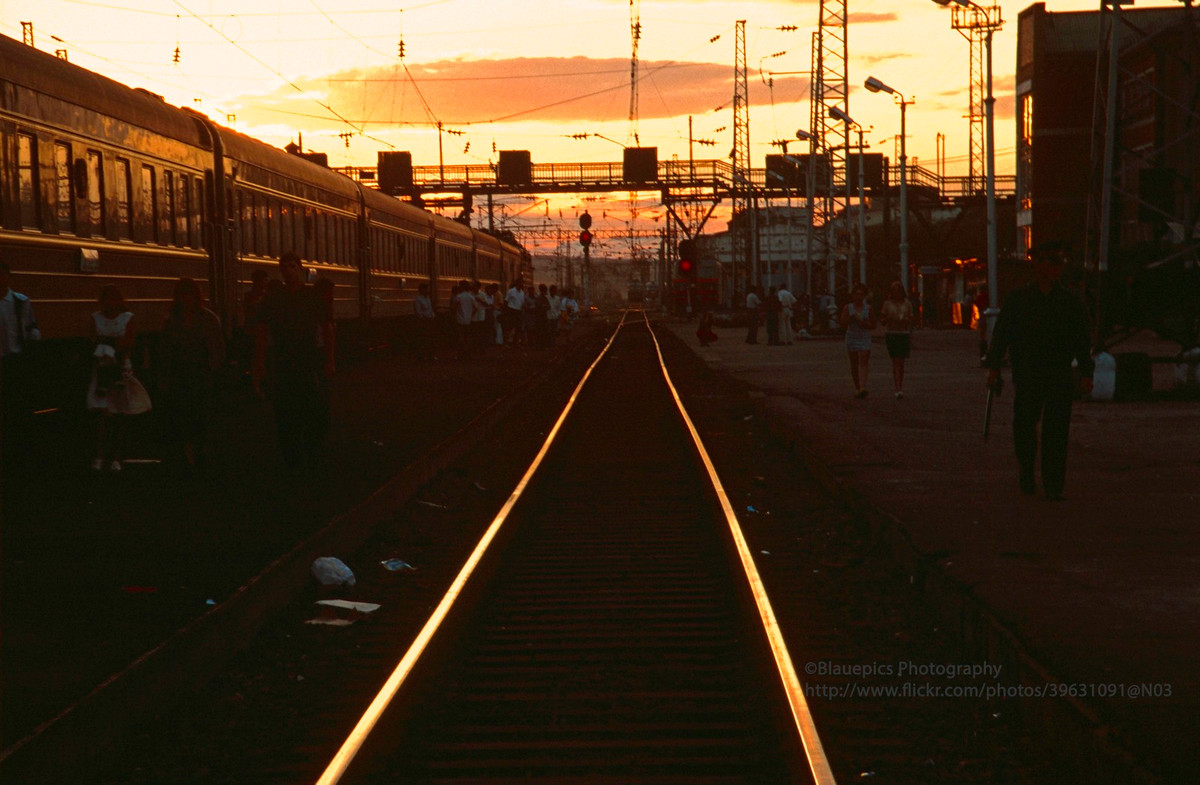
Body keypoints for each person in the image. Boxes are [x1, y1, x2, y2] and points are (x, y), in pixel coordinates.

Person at [985, 242, 1094, 501]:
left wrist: (1087, 372)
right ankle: (1026, 469)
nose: (1055, 268)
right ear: (1038, 267)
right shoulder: (1019, 300)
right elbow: (1001, 336)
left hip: (1058, 374)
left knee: (1056, 431)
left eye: (1057, 263)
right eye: (1049, 262)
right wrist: (993, 367)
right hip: (1028, 372)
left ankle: (1053, 484)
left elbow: (1081, 340)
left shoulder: (1069, 303)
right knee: (1024, 424)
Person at [252, 252, 335, 475]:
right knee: (286, 413)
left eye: (292, 266)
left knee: (312, 411)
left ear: (299, 269)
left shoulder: (312, 297)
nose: (288, 271)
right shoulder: (273, 300)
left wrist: (329, 359)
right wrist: (259, 364)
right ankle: (296, 460)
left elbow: (327, 329)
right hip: (283, 362)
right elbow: (261, 332)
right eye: (284, 267)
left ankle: (307, 454)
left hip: (307, 360)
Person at [158, 278, 225, 475]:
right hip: (180, 375)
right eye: (183, 295)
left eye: (190, 294)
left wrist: (215, 370)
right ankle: (190, 457)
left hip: (201, 374)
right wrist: (163, 378)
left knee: (200, 417)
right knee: (183, 417)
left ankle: (198, 452)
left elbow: (217, 349)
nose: (186, 299)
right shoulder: (172, 322)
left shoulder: (208, 320)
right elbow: (165, 352)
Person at [86, 285, 151, 471]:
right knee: (104, 413)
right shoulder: (97, 318)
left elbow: (127, 342)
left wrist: (105, 342)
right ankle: (101, 456)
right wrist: (115, 343)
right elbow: (120, 342)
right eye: (107, 300)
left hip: (117, 368)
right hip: (104, 369)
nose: (110, 303)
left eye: (113, 299)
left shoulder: (126, 319)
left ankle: (114, 456)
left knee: (117, 412)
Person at [0, 258, 41, 472]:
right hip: (9, 360)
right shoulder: (19, 301)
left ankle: (19, 453)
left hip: (15, 360)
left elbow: (31, 328)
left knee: (16, 408)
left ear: (7, 277)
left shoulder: (20, 301)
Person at [879, 280, 914, 399]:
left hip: (903, 333)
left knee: (901, 362)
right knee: (896, 360)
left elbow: (912, 320)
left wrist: (906, 320)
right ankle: (897, 387)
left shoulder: (907, 304)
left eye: (898, 291)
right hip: (892, 333)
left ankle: (900, 384)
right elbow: (882, 321)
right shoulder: (887, 304)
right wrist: (889, 318)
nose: (896, 293)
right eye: (894, 291)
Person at [840, 283, 875, 398]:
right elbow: (842, 323)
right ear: (853, 295)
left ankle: (863, 386)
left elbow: (873, 324)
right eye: (857, 294)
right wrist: (851, 318)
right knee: (854, 363)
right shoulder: (848, 308)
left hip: (864, 336)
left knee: (864, 361)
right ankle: (857, 387)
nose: (859, 296)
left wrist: (863, 323)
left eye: (861, 294)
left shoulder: (868, 308)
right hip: (852, 336)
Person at [451, 280, 476, 358]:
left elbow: (453, 307)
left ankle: (461, 352)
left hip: (459, 319)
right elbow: (476, 308)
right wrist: (471, 315)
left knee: (460, 337)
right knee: (468, 336)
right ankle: (467, 352)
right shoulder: (471, 297)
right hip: (468, 320)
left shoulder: (458, 297)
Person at [413, 281, 436, 358]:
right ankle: (423, 355)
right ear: (422, 290)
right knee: (424, 339)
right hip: (424, 322)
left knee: (429, 339)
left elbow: (430, 309)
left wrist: (433, 316)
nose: (427, 291)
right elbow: (418, 312)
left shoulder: (428, 299)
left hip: (430, 320)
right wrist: (424, 319)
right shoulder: (418, 300)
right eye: (426, 289)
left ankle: (429, 354)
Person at [503, 278, 525, 346]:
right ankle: (506, 342)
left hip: (518, 311)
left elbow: (522, 303)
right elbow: (506, 301)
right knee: (509, 327)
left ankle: (516, 342)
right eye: (520, 283)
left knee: (518, 328)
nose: (521, 285)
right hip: (511, 310)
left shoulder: (522, 292)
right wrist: (506, 311)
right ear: (517, 283)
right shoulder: (511, 291)